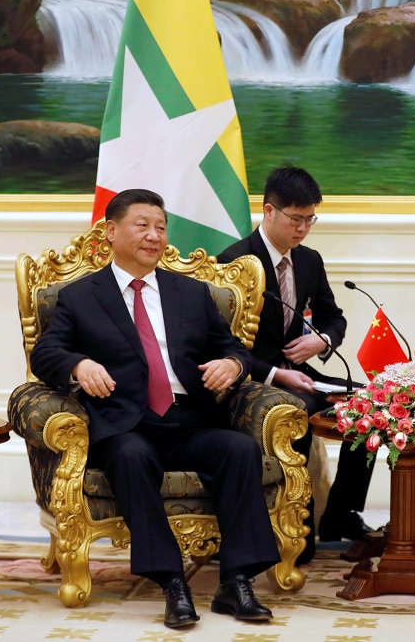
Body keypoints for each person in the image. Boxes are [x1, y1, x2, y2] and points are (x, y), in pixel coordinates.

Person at [31, 189, 279, 629]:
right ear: (111, 231)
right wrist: (79, 364)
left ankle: (236, 581)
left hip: (190, 418)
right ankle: (172, 583)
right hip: (126, 422)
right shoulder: (80, 296)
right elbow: (46, 353)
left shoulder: (192, 292)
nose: (154, 235)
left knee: (239, 449)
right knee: (130, 456)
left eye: (161, 227)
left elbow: (232, 346)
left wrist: (232, 362)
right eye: (142, 225)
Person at [218, 164, 374, 561]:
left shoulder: (308, 260)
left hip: (302, 372)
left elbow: (333, 317)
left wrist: (320, 340)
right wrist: (274, 372)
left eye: (310, 219)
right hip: (253, 377)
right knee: (297, 410)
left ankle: (340, 514)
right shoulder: (234, 262)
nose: (303, 228)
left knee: (375, 407)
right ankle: (296, 528)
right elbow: (220, 344)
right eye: (295, 219)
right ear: (269, 211)